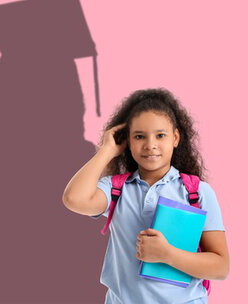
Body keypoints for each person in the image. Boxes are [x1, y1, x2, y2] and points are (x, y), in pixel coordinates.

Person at [63, 88, 229, 304]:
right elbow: (74, 199)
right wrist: (107, 150)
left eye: (160, 135)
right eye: (139, 136)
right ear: (128, 141)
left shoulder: (197, 192)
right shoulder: (116, 189)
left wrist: (167, 254)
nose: (150, 145)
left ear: (175, 138)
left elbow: (221, 267)